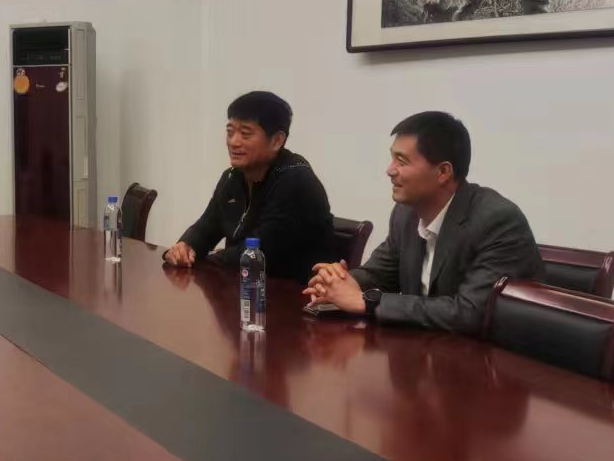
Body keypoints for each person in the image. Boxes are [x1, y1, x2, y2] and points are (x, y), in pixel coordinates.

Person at [304, 111, 542, 333]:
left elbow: (469, 313)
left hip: (486, 358)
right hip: (424, 349)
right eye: (392, 158)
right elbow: (379, 274)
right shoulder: (405, 214)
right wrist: (341, 282)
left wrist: (366, 302)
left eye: (402, 161)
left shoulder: (497, 220)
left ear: (443, 172)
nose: (390, 170)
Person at [163, 91, 335, 280]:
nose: (233, 142)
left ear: (276, 141)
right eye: (230, 132)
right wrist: (186, 247)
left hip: (292, 292)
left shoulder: (295, 179)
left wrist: (211, 258)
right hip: (244, 286)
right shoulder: (232, 177)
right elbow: (206, 227)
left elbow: (258, 253)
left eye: (245, 134)